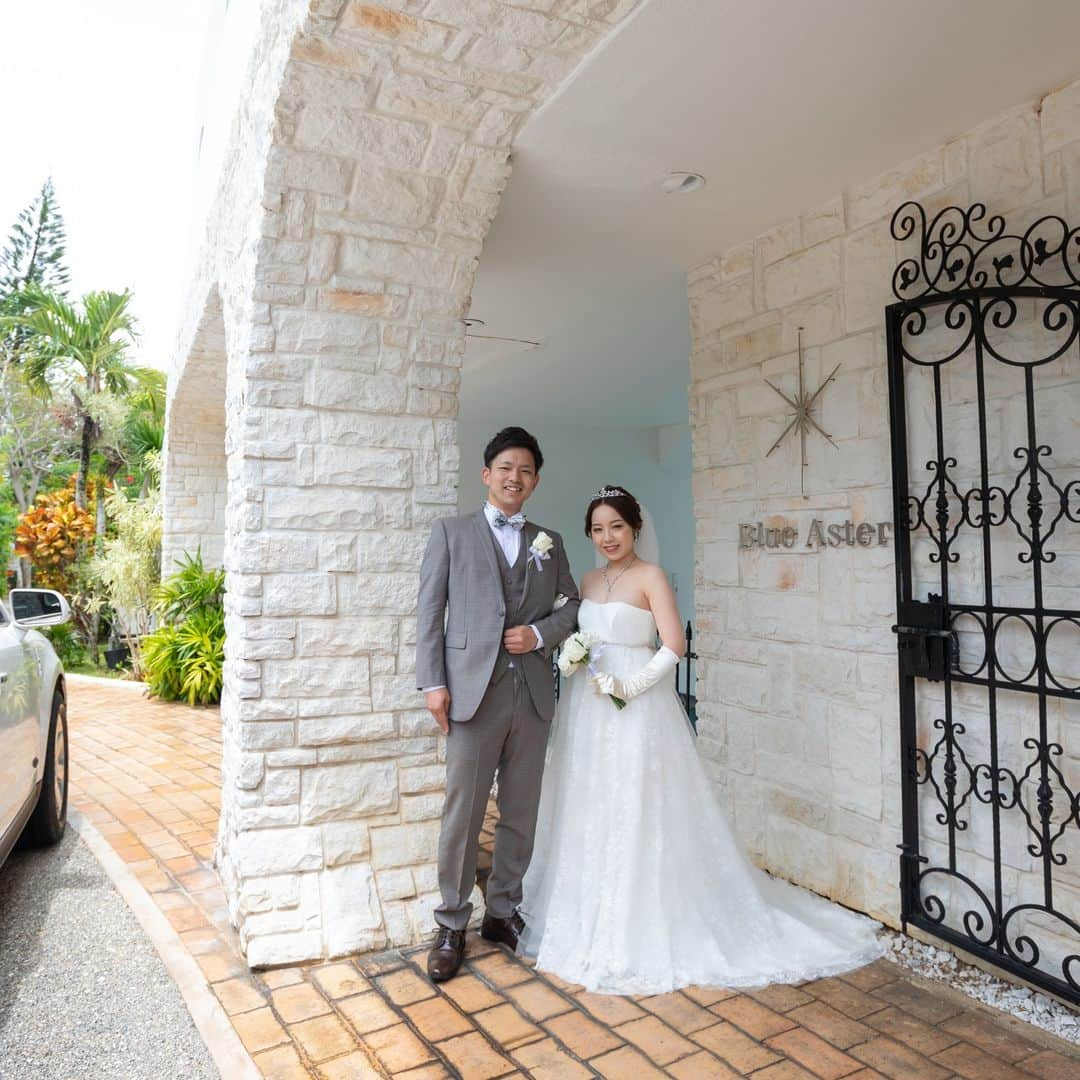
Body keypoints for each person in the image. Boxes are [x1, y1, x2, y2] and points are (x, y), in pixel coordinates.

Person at [519, 485, 883, 994]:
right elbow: (585, 636)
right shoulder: (588, 578)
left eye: (616, 527)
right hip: (588, 706)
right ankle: (589, 908)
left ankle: (642, 915)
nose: (607, 537)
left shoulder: (651, 577)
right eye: (598, 529)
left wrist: (630, 686)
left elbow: (673, 645)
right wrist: (577, 659)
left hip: (636, 705)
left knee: (640, 802)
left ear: (635, 527)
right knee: (591, 801)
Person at [416, 427, 580, 982]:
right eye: (506, 467)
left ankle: (502, 911)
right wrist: (431, 683)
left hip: (530, 695)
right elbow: (428, 612)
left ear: (535, 481)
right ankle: (451, 922)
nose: (516, 478)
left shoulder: (549, 542)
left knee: (520, 809)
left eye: (526, 470)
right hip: (470, 694)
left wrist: (538, 636)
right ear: (487, 474)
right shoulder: (451, 533)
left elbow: (571, 606)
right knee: (462, 814)